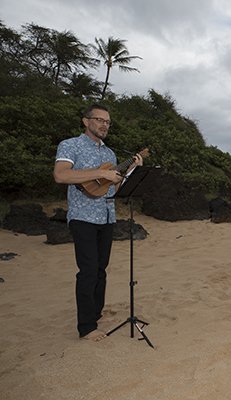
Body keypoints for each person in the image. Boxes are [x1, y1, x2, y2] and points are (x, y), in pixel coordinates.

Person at [54, 103, 143, 341]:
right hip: (82, 216)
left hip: (106, 215)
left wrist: (130, 170)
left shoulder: (110, 154)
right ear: (86, 121)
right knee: (88, 271)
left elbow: (112, 189)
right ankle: (86, 327)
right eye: (100, 120)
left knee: (101, 270)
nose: (104, 125)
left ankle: (96, 314)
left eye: (107, 122)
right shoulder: (70, 145)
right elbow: (61, 175)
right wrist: (100, 173)